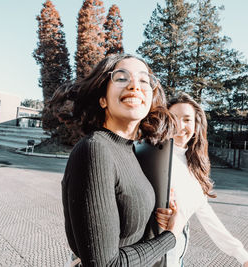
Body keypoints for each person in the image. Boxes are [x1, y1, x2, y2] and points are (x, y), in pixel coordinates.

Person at [58, 54, 186, 266]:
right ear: (103, 98)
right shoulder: (95, 149)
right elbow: (106, 264)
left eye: (144, 80)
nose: (135, 85)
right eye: (121, 78)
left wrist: (158, 215)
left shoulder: (133, 150)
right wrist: (171, 236)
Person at [156, 92, 248, 267]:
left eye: (187, 119)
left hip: (177, 257)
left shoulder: (193, 166)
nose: (180, 125)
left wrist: (243, 257)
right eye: (173, 118)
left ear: (197, 125)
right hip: (154, 257)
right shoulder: (153, 155)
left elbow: (208, 217)